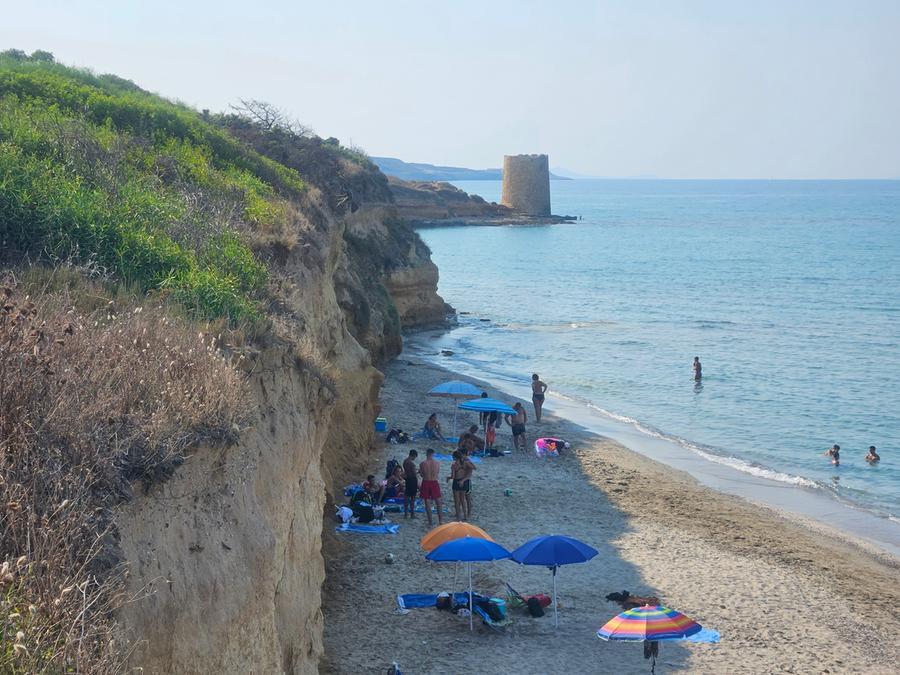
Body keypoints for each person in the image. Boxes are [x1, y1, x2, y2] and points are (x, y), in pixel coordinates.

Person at [418, 448, 444, 528]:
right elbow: (437, 473)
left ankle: (430, 522)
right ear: (433, 454)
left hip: (426, 482)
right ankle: (441, 521)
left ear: (426, 454)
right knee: (438, 502)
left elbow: (422, 475)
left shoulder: (422, 463)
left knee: (427, 503)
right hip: (434, 482)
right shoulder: (437, 463)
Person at [447, 450, 466, 521]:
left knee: (457, 501)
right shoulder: (464, 464)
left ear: (455, 457)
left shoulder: (454, 465)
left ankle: (458, 516)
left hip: (456, 482)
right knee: (463, 500)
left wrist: (448, 478)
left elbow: (453, 476)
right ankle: (465, 515)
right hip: (463, 482)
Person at [402, 449, 419, 518]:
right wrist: (419, 471)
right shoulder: (412, 464)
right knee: (412, 498)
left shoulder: (405, 461)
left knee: (406, 496)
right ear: (414, 455)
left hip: (407, 480)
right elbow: (414, 474)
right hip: (413, 480)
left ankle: (405, 513)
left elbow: (406, 472)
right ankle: (412, 514)